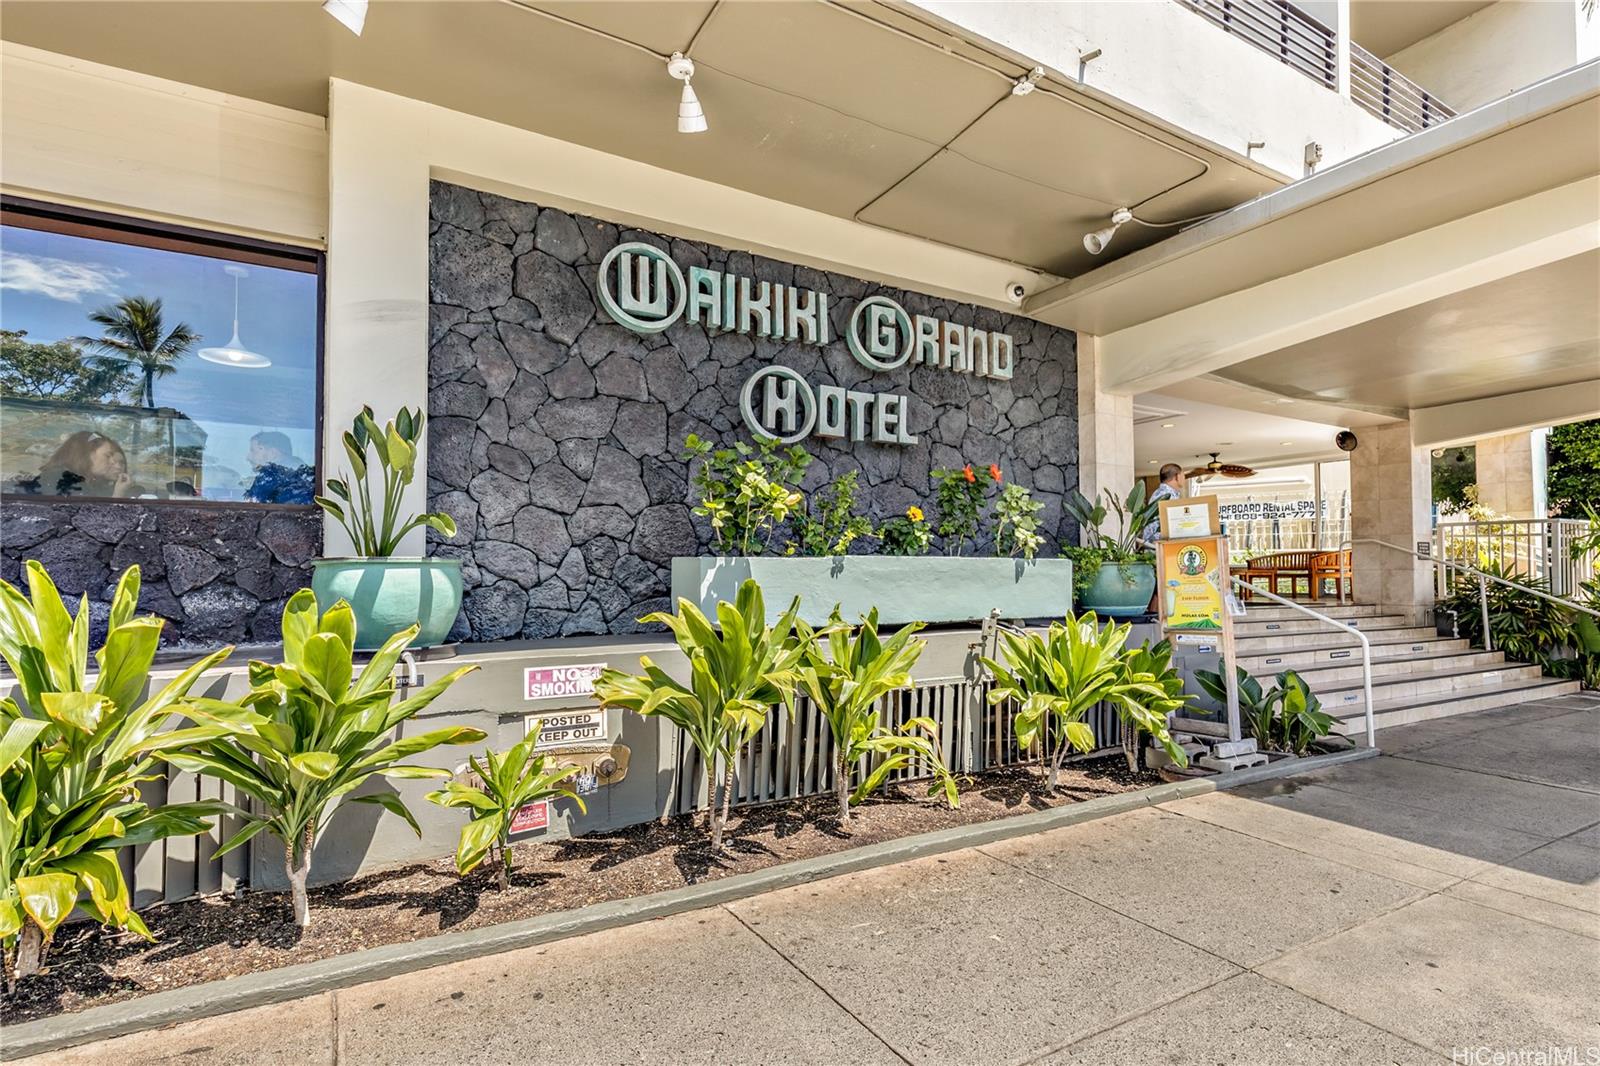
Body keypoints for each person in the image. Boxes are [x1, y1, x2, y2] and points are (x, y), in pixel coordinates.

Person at [21, 430, 139, 498]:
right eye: (108, 456)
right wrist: (119, 495)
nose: (117, 465)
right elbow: (90, 524)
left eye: (121, 462)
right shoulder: (60, 479)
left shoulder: (92, 483)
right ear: (85, 454)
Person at [244, 430, 314, 504]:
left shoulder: (280, 480)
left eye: (253, 451)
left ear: (273, 453)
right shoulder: (300, 477)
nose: (248, 457)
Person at [1141, 463, 1186, 543]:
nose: (1184, 479)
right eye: (1183, 476)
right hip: (1160, 544)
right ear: (1177, 476)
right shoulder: (1167, 495)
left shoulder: (1161, 493)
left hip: (1156, 543)